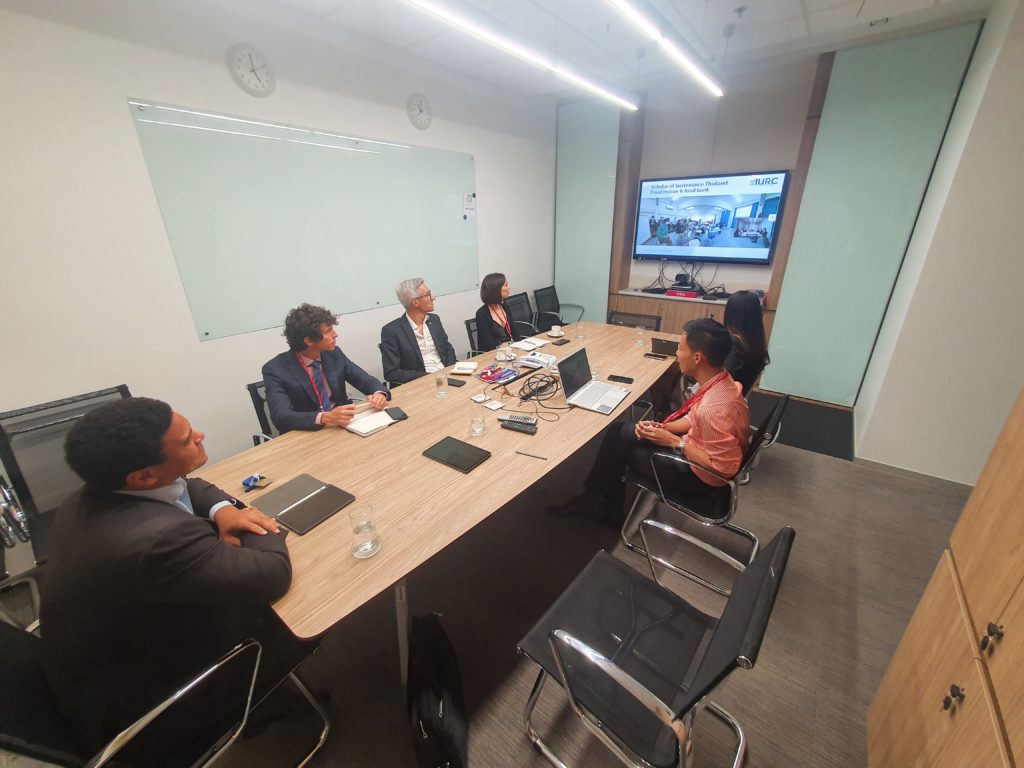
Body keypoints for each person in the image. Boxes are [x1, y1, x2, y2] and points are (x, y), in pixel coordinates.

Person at [41, 397, 310, 758]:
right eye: (186, 440)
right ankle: (258, 704)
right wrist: (261, 521)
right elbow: (273, 575)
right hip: (156, 703)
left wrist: (224, 510)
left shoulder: (90, 495)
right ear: (144, 476)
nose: (200, 436)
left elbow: (190, 485)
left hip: (122, 651)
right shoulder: (155, 540)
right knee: (314, 608)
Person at [551, 318, 749, 524]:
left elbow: (724, 469)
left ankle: (606, 510)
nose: (677, 354)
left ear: (697, 357)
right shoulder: (722, 382)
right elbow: (694, 418)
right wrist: (664, 428)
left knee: (618, 449)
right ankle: (595, 501)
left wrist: (674, 442)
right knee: (618, 432)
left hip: (696, 477)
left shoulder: (713, 409)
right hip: (695, 449)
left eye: (680, 349)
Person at [263, 303, 390, 433]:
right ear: (309, 341)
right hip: (308, 433)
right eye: (329, 331)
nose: (335, 334)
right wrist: (325, 417)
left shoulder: (333, 354)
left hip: (344, 427)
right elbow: (281, 417)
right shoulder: (275, 370)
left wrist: (379, 393)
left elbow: (365, 380)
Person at [380, 278, 457, 386]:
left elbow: (448, 349)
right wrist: (430, 377)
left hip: (447, 377)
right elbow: (391, 373)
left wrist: (447, 372)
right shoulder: (392, 331)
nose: (433, 298)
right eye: (428, 295)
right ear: (415, 302)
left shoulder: (434, 320)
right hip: (420, 384)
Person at [723, 290, 770, 396]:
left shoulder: (734, 344)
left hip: (723, 399)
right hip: (739, 397)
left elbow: (722, 381)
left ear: (730, 313)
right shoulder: (757, 343)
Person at [474, 272, 523, 352]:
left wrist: (523, 348)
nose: (509, 288)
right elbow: (489, 345)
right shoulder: (482, 314)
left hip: (510, 351)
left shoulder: (504, 307)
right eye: (506, 285)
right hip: (494, 355)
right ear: (496, 290)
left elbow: (515, 333)